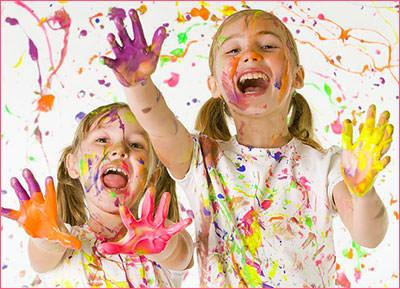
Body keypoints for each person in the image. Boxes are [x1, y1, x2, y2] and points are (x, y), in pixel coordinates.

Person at [101, 8, 393, 287]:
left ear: (298, 77)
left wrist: (363, 191)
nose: (251, 55)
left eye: (267, 46)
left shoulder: (323, 166)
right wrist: (138, 83)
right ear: (214, 86)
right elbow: (159, 125)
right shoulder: (201, 160)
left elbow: (369, 235)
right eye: (233, 50)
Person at [1, 102, 193, 287]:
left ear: (153, 177)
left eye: (136, 144)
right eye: (102, 140)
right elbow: (43, 254)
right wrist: (45, 238)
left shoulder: (160, 234)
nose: (119, 150)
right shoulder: (65, 244)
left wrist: (162, 247)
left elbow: (181, 254)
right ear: (73, 164)